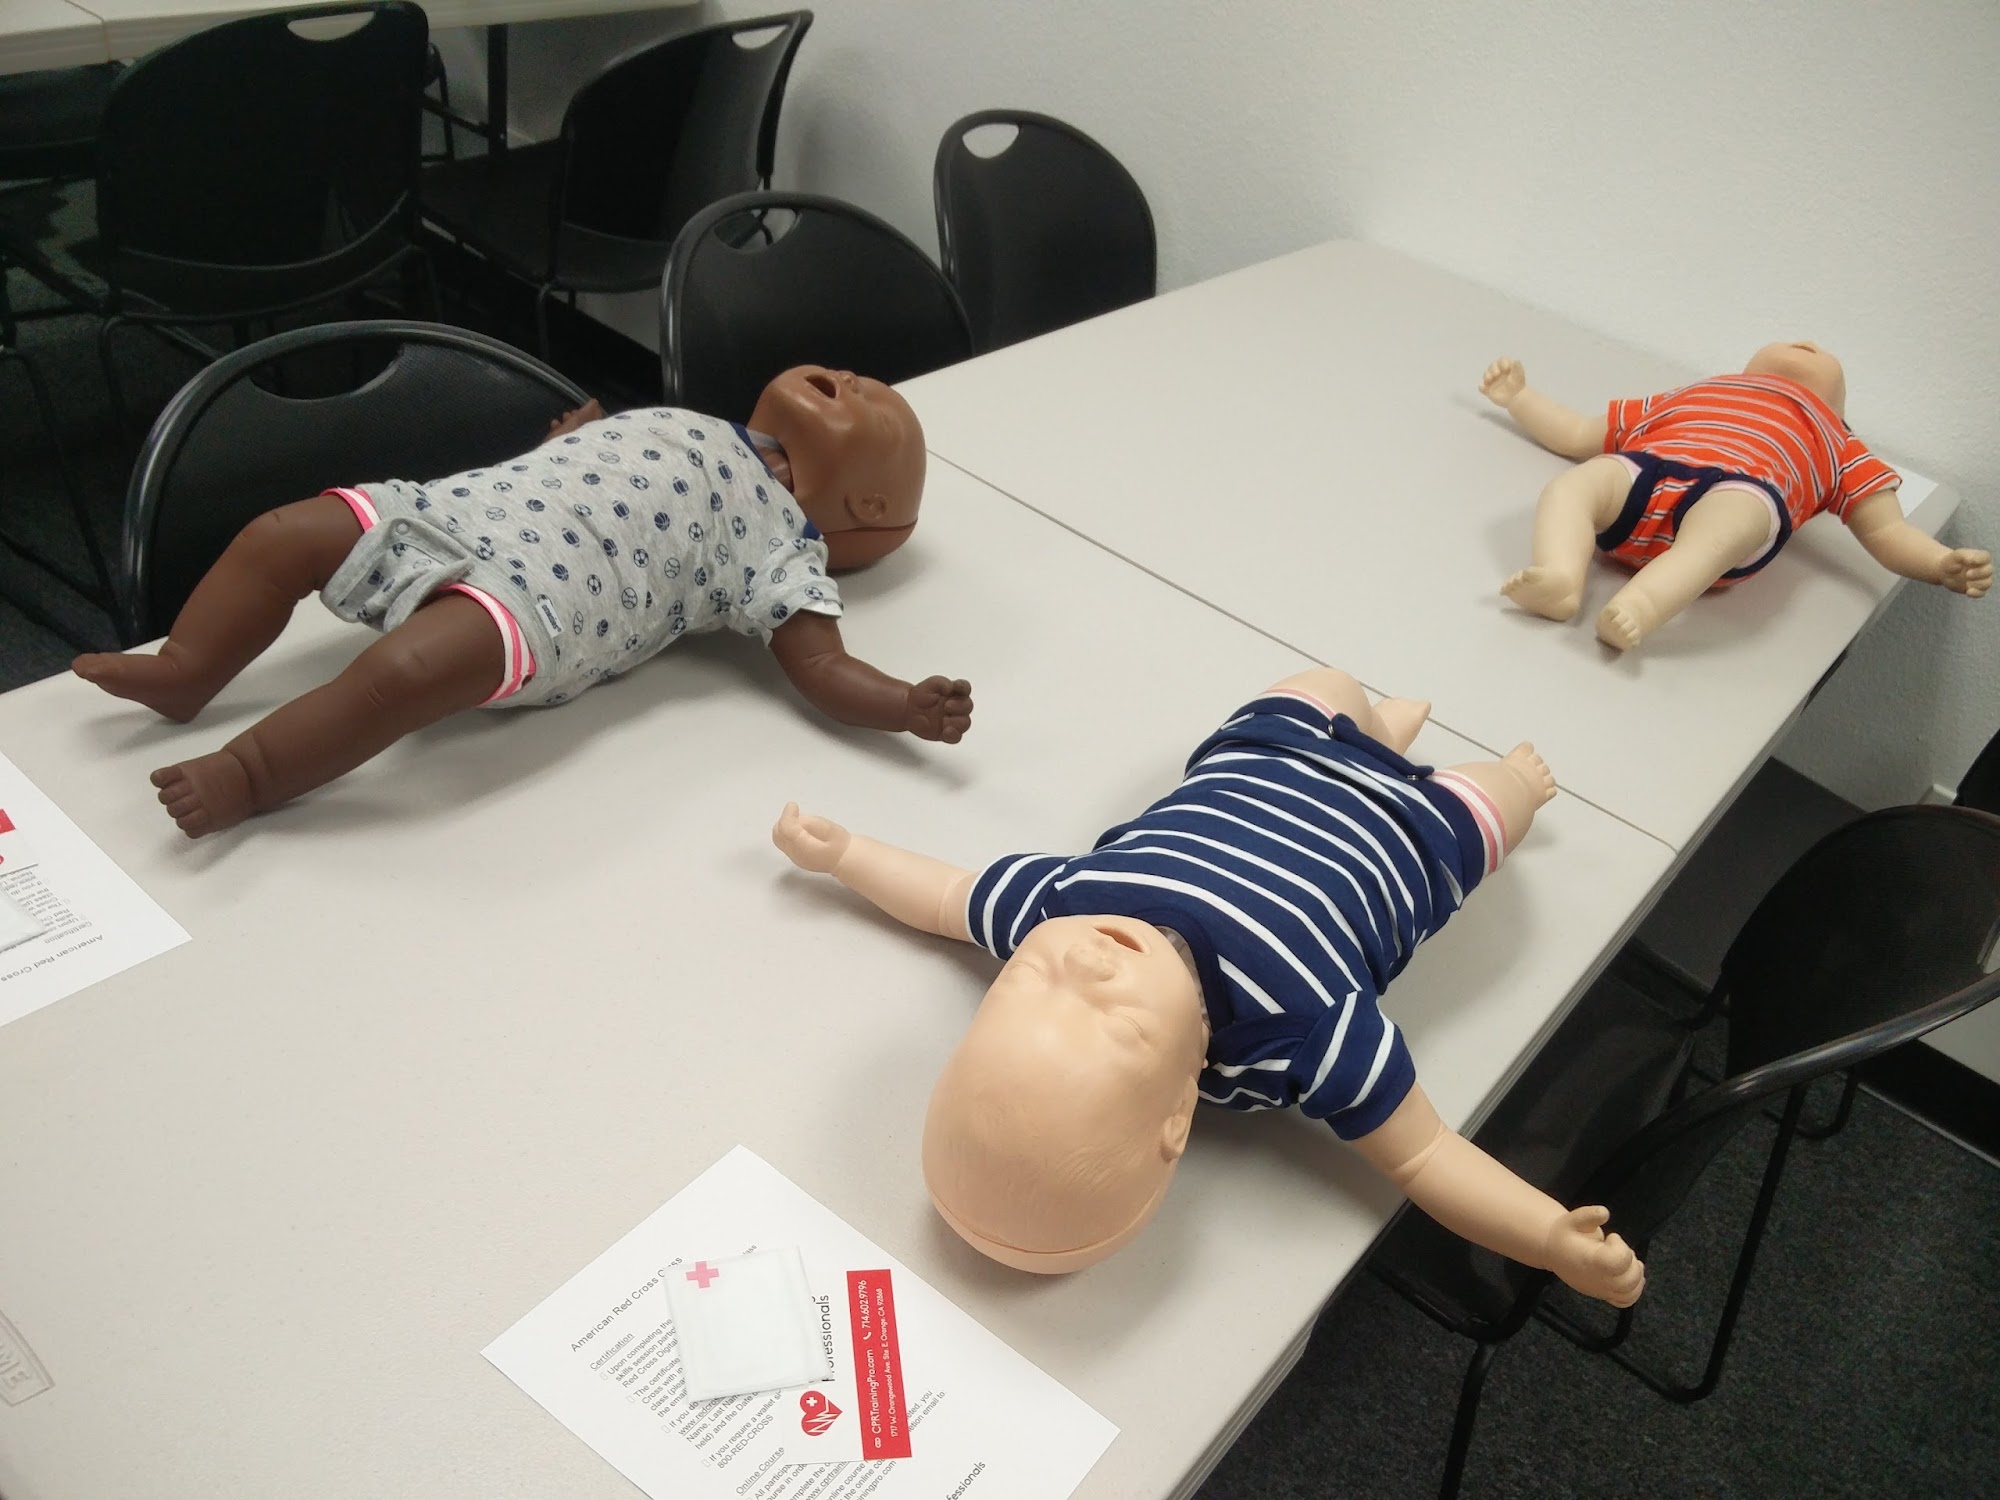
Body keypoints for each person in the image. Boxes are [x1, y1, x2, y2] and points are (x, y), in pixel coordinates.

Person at [770, 666, 1645, 1307]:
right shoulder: (1301, 1039)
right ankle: (1465, 773)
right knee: (1499, 796)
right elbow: (1424, 1154)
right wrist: (1544, 1235)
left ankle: (1376, 730)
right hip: (1417, 829)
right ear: (1178, 1114)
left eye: (1026, 983)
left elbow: (945, 899)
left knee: (1325, 682)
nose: (1086, 965)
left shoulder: (1058, 910)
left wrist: (847, 856)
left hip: (1271, 753)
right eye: (1118, 1027)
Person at [77, 366, 973, 838]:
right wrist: (578, 439)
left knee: (404, 673)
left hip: (548, 596)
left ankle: (248, 773)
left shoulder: (783, 547)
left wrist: (902, 704)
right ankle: (185, 669)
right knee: (282, 534)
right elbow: (614, 460)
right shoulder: (709, 422)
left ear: (869, 506)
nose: (852, 377)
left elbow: (823, 664)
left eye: (873, 406)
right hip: (460, 508)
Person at [1483, 341, 1992, 650]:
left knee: (1727, 526)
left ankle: (1643, 604)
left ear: (1839, 409)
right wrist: (1520, 399)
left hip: (1742, 491)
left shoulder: (1837, 438)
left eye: (1823, 357)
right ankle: (1561, 578)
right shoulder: (1695, 393)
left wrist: (1937, 563)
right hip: (1644, 472)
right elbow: (1579, 433)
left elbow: (1885, 530)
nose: (1806, 343)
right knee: (1574, 486)